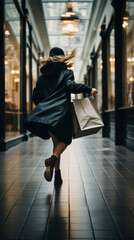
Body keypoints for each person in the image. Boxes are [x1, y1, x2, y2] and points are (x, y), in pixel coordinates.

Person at [23, 47, 98, 187]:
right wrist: (89, 89)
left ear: (50, 58)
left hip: (47, 115)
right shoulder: (66, 73)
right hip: (62, 113)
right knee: (65, 141)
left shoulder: (42, 77)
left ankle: (57, 176)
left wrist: (44, 106)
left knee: (56, 143)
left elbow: (35, 96)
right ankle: (52, 160)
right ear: (62, 57)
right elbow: (71, 86)